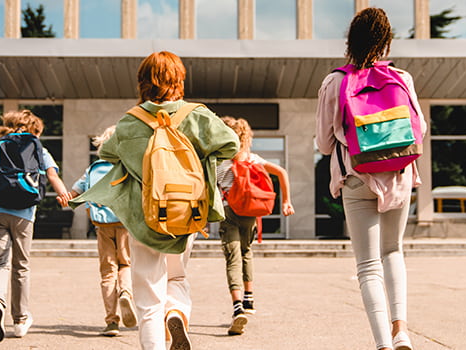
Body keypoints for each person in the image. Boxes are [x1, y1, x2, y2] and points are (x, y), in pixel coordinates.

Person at [69, 51, 239, 350]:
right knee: (177, 275)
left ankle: (157, 337)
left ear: (142, 81)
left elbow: (107, 153)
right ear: (179, 79)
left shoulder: (129, 122)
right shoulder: (196, 114)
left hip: (143, 217)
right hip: (186, 211)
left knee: (148, 297)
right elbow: (231, 144)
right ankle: (176, 312)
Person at [315, 8, 426, 350]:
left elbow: (322, 143)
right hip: (398, 174)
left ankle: (383, 345)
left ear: (351, 41)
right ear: (386, 42)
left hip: (357, 176)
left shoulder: (335, 81)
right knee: (393, 251)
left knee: (367, 265)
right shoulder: (402, 78)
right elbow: (418, 129)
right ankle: (401, 331)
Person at [0, 109, 71, 342]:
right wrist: (64, 196)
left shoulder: (0, 147)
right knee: (21, 266)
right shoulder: (39, 149)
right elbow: (52, 176)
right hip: (24, 214)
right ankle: (20, 320)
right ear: (35, 131)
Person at [216, 116, 295, 336]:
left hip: (229, 213)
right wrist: (286, 201)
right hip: (250, 213)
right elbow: (282, 172)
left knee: (233, 258)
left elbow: (210, 190)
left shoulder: (220, 162)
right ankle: (249, 299)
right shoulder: (252, 158)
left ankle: (237, 306)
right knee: (246, 252)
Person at [60, 125, 137, 337]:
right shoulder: (127, 166)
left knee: (108, 271)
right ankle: (126, 293)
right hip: (124, 223)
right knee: (126, 264)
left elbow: (74, 194)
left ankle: (112, 321)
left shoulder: (93, 169)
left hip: (102, 225)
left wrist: (64, 198)